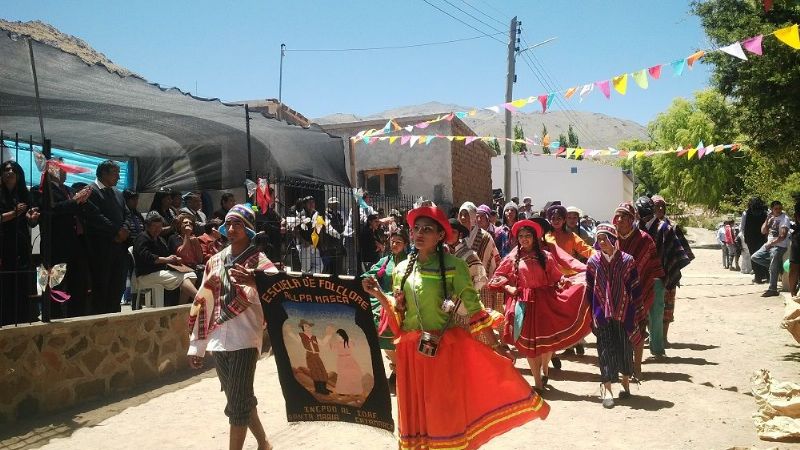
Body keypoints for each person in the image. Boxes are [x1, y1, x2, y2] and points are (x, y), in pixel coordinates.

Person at [362, 206, 548, 449]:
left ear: (440, 236)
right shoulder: (401, 269)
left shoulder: (454, 266)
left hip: (442, 352)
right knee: (415, 412)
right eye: (416, 228)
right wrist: (378, 294)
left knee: (443, 410)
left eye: (427, 229)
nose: (419, 233)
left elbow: (475, 310)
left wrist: (496, 346)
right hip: (411, 356)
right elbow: (399, 319)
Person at [188, 204, 277, 450]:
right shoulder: (214, 261)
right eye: (228, 223)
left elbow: (278, 293)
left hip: (245, 338)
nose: (231, 228)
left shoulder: (260, 261)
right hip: (218, 339)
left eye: (238, 223)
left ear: (249, 229)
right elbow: (203, 302)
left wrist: (256, 281)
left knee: (237, 405)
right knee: (240, 398)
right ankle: (263, 443)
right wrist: (197, 346)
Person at [488, 219, 591, 392]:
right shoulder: (513, 257)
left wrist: (566, 281)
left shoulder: (546, 256)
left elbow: (557, 277)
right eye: (521, 236)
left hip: (545, 303)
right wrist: (508, 287)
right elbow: (497, 277)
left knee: (546, 343)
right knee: (529, 347)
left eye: (528, 236)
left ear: (535, 238)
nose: (524, 239)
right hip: (523, 304)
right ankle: (537, 383)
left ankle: (545, 370)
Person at [584, 223, 643, 408]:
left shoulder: (627, 260)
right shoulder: (593, 262)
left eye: (605, 239)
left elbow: (635, 287)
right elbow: (589, 289)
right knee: (605, 350)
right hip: (601, 312)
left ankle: (625, 383)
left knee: (625, 347)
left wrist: (637, 311)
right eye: (599, 239)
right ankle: (607, 389)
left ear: (613, 239)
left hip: (625, 311)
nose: (602, 242)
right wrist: (591, 312)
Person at [613, 202, 664, 377]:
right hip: (616, 292)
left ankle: (637, 367)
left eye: (624, 216)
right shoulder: (611, 239)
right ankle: (624, 366)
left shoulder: (644, 239)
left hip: (640, 291)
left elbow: (652, 265)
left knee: (639, 327)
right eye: (618, 216)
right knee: (620, 329)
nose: (620, 220)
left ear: (632, 218)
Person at [636, 196, 691, 354]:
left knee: (657, 313)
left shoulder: (664, 228)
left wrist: (669, 275)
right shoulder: (635, 228)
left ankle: (658, 349)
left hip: (658, 278)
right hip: (638, 279)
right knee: (640, 314)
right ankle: (639, 347)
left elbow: (673, 254)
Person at [39, 162, 92, 318]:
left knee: (78, 284)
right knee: (56, 285)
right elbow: (53, 210)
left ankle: (76, 315)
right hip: (57, 246)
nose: (65, 171)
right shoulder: (44, 190)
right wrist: (75, 201)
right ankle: (55, 316)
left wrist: (82, 201)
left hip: (75, 243)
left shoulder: (68, 189)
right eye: (61, 167)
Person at [361, 228, 409, 391]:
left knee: (399, 336)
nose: (394, 244)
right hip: (383, 302)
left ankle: (400, 371)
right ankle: (395, 369)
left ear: (405, 244)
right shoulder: (385, 261)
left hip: (402, 303)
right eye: (392, 241)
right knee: (380, 331)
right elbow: (370, 274)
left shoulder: (410, 261)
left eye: (398, 242)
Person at [83, 160, 129, 314]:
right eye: (115, 174)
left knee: (117, 287)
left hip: (119, 249)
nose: (118, 178)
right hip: (101, 249)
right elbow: (96, 217)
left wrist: (125, 230)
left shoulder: (117, 193)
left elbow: (127, 214)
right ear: (104, 173)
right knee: (102, 288)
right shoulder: (91, 191)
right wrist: (116, 231)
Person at [650, 195, 695, 341]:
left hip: (668, 272)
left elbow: (683, 251)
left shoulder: (672, 227)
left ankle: (663, 337)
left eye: (663, 206)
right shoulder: (644, 227)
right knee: (649, 305)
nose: (660, 209)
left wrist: (673, 264)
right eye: (657, 206)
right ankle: (653, 335)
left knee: (667, 306)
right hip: (650, 274)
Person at [0, 161, 40, 325]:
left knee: (22, 284)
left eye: (13, 170)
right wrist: (13, 213)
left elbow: (33, 225)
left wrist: (31, 220)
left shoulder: (25, 195)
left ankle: (23, 318)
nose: (10, 172)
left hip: (21, 247)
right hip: (3, 246)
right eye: (6, 169)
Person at [133, 212, 199, 305]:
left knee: (192, 275)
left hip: (160, 271)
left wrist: (174, 258)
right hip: (146, 274)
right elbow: (147, 257)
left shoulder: (159, 239)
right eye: (154, 226)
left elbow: (167, 254)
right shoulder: (142, 237)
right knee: (181, 278)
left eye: (159, 227)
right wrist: (167, 259)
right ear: (147, 226)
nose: (157, 229)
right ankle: (201, 299)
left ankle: (181, 306)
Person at [751, 200, 791, 297]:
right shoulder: (771, 218)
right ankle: (778, 269)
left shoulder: (784, 218)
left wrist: (772, 244)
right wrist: (767, 219)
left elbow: (782, 236)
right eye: (776, 209)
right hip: (769, 244)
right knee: (755, 257)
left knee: (773, 264)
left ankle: (772, 289)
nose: (778, 210)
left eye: (780, 208)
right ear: (772, 209)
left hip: (779, 245)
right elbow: (763, 231)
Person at [447, 218, 488, 290]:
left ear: (460, 235)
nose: (450, 235)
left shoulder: (470, 255)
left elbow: (481, 279)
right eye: (448, 232)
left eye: (453, 232)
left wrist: (467, 293)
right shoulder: (442, 253)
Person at [327, 328, 364, 397]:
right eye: (337, 335)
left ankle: (355, 391)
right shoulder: (340, 343)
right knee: (343, 376)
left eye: (338, 335)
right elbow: (332, 347)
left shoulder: (348, 341)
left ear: (341, 335)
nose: (337, 337)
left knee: (352, 375)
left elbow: (353, 345)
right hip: (342, 360)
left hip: (348, 359)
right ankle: (343, 391)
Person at [742, 197, 769, 283]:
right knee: (764, 255)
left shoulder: (746, 213)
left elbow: (743, 227)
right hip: (762, 237)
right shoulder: (765, 213)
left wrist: (745, 237)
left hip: (751, 238)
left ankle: (758, 277)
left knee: (753, 256)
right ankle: (767, 275)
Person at [321, 197, 346, 275]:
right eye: (333, 204)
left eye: (336, 203)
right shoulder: (326, 214)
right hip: (329, 243)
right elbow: (328, 228)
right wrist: (338, 235)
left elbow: (343, 226)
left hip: (338, 244)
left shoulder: (338, 214)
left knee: (338, 265)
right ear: (329, 204)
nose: (335, 205)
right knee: (329, 266)